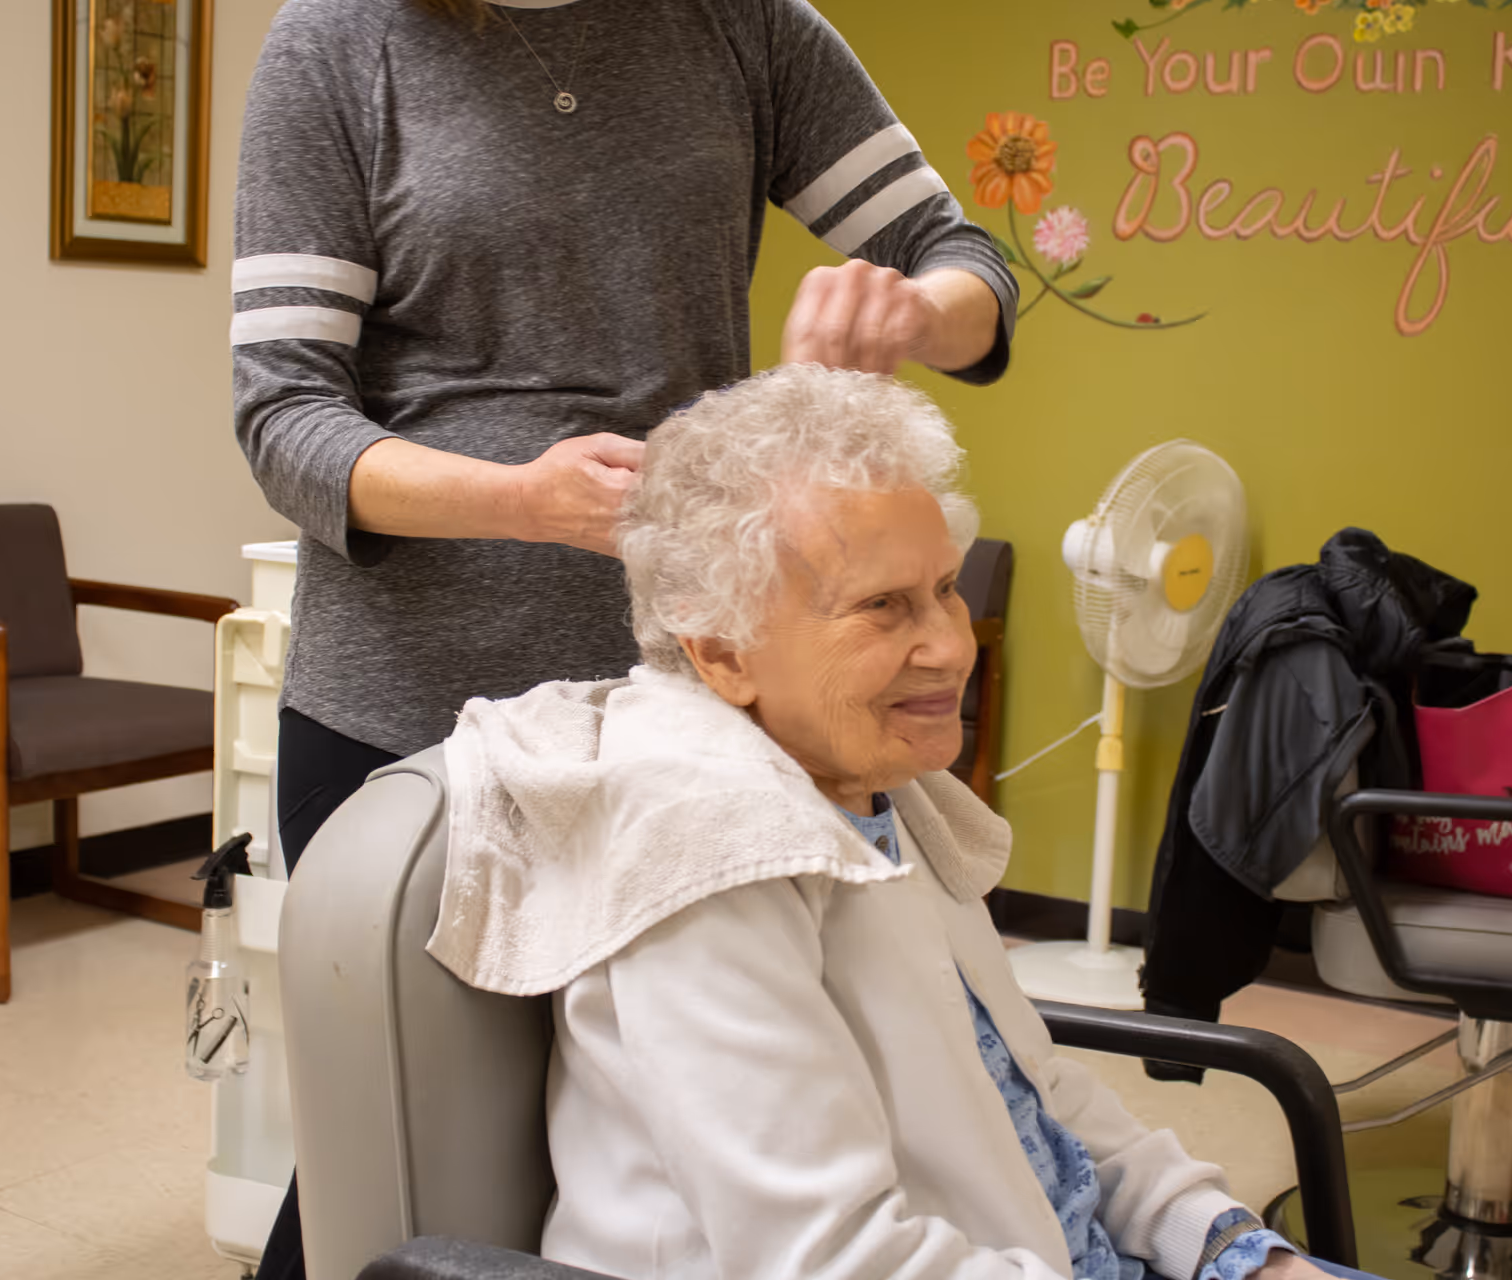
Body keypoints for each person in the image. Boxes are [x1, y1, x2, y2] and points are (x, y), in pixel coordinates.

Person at [231, 0, 1015, 1273]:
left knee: (643, 1138)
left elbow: (965, 258)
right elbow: (282, 419)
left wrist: (916, 314)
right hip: (406, 704)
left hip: (685, 702)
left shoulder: (743, 27)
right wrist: (522, 501)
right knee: (413, 1150)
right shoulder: (338, 46)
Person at [430, 367, 1390, 1280]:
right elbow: (830, 1259)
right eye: (884, 607)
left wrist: (1238, 1251)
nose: (950, 643)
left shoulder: (875, 787)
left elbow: (1039, 1099)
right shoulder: (707, 857)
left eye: (944, 587)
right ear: (721, 652)